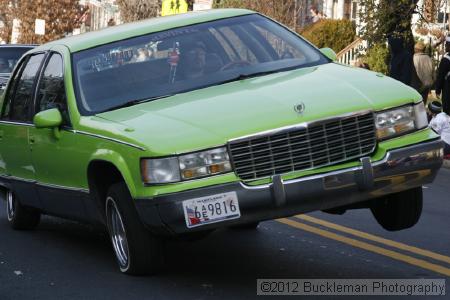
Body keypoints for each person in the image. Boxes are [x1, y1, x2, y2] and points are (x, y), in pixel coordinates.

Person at [435, 36, 450, 115]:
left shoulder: (446, 59)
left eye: (447, 44)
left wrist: (438, 90)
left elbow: (440, 76)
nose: (445, 46)